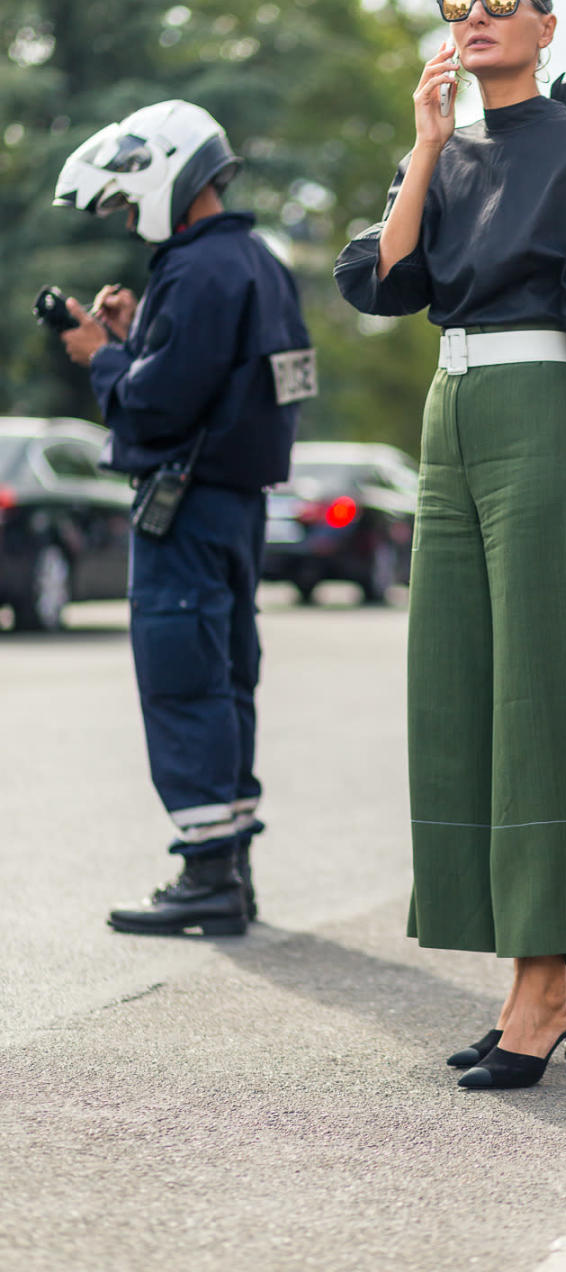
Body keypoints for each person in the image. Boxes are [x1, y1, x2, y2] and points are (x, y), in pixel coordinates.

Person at [334, 0, 566, 1089]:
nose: (478, 15)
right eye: (462, 2)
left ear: (544, 27)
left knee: (539, 694)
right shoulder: (447, 149)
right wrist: (426, 146)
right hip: (448, 415)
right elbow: (388, 282)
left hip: (542, 404)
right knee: (454, 692)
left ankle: (543, 987)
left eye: (504, 1)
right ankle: (532, 976)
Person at [54, 99, 314, 935]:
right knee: (226, 678)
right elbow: (249, 381)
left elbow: (158, 406)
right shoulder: (258, 262)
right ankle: (230, 869)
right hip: (236, 506)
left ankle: (207, 878)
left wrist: (102, 356)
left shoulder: (198, 270)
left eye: (129, 202)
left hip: (186, 506)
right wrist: (139, 335)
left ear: (166, 173)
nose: (130, 222)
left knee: (183, 680)